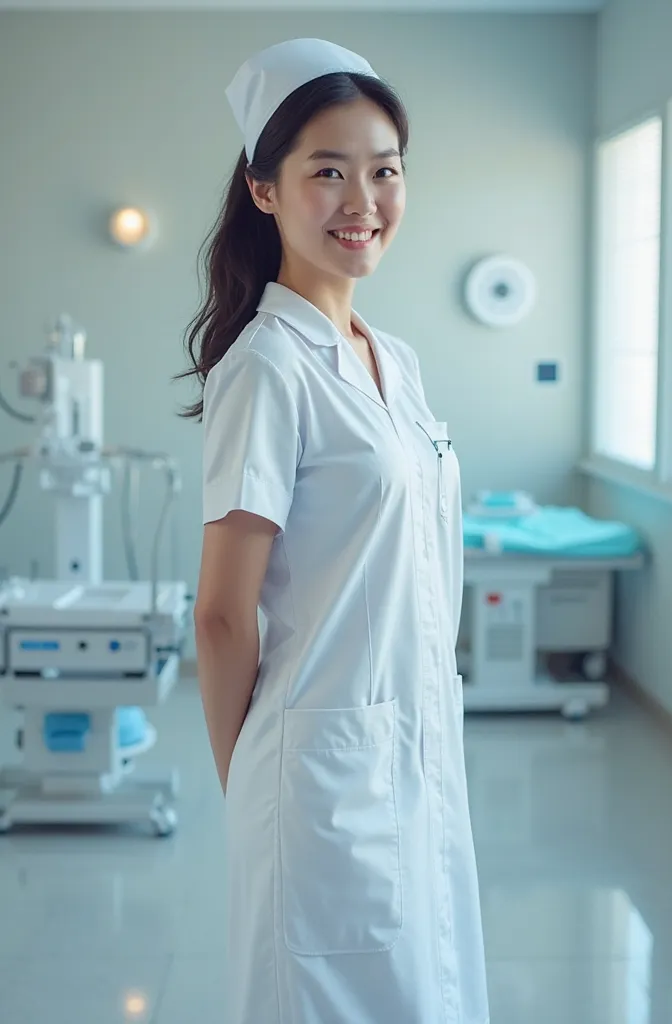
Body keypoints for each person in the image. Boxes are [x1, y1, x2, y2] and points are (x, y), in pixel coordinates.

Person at [185, 37, 489, 1024]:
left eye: (384, 170)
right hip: (318, 775)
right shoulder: (268, 367)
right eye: (327, 171)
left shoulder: (390, 359)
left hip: (416, 749)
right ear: (264, 188)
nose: (363, 199)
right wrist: (257, 791)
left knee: (425, 991)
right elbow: (223, 617)